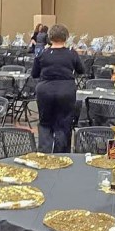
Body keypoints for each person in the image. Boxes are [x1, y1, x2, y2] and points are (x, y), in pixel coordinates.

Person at [31, 24, 84, 153]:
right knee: (64, 124)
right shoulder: (72, 53)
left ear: (50, 37)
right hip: (66, 92)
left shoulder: (42, 54)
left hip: (45, 91)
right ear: (66, 37)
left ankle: (44, 153)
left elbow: (34, 74)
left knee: (45, 123)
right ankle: (62, 155)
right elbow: (81, 70)